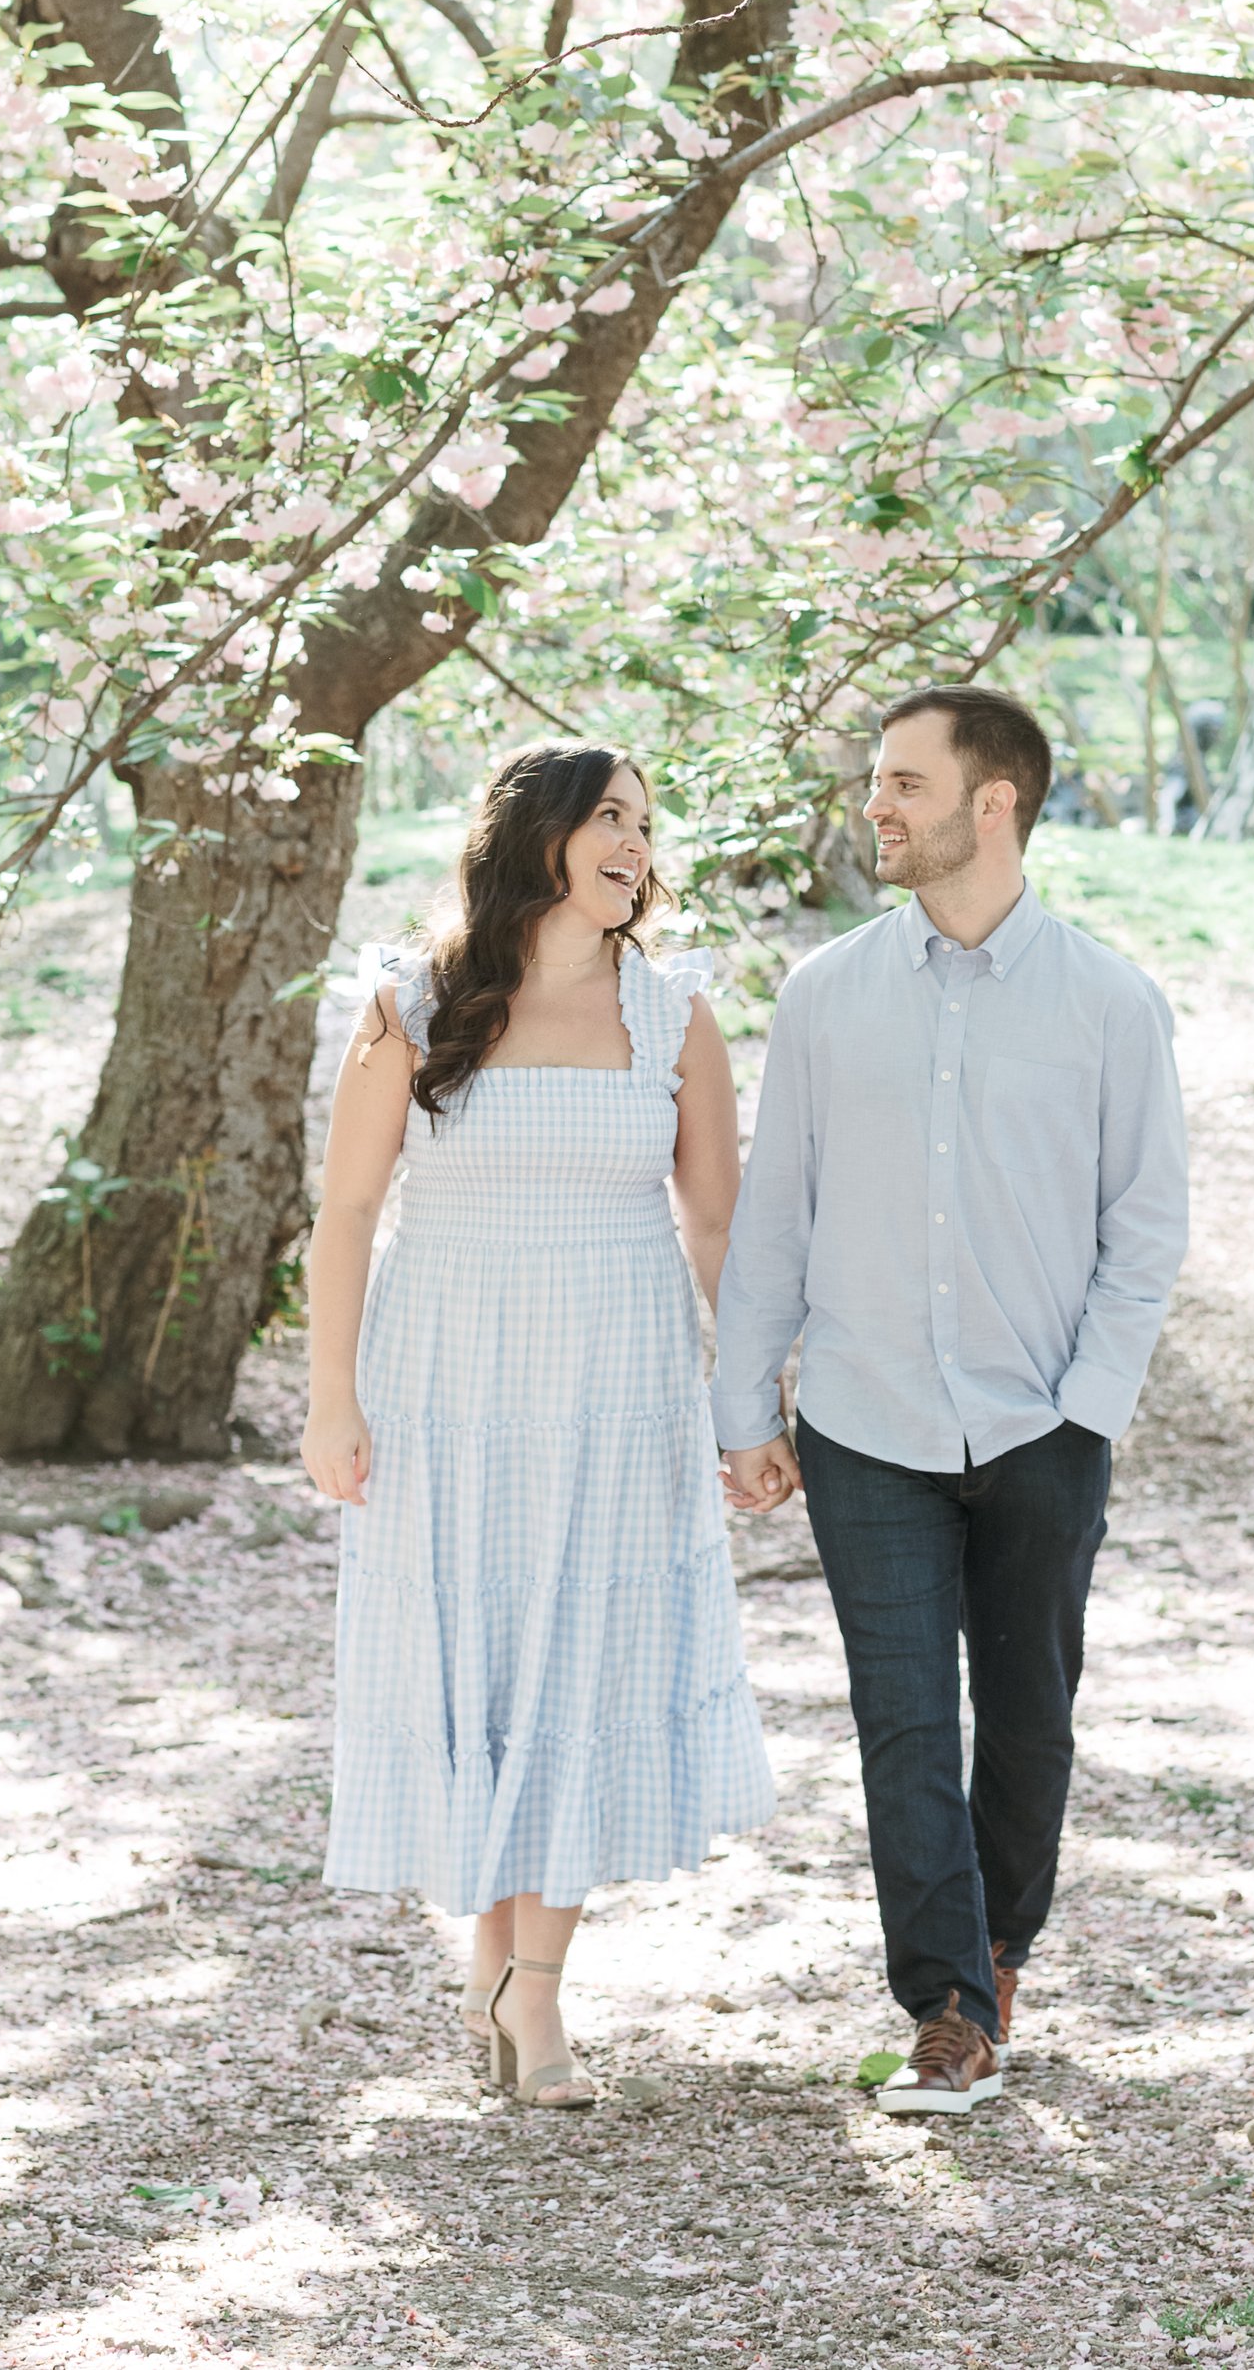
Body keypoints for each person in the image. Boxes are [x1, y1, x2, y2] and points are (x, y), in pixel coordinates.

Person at [713, 685, 1187, 2115]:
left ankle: (999, 1944)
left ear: (996, 803)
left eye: (906, 783)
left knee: (1029, 1710)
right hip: (866, 1422)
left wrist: (1089, 1401)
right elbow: (775, 1215)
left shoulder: (1110, 1002)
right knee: (905, 1717)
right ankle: (948, 2004)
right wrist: (748, 1403)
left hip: (1043, 1420)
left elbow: (1145, 1224)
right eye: (877, 780)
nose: (880, 806)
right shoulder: (825, 994)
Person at [302, 741, 774, 2108]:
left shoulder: (674, 1010)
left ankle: (534, 1988)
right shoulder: (411, 1000)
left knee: (584, 1666)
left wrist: (752, 1404)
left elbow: (717, 1220)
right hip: (446, 1379)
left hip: (619, 1389)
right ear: (539, 837)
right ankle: (498, 1969)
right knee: (485, 1667)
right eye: (608, 817)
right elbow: (344, 1213)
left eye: (645, 820)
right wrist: (331, 1395)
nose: (635, 842)